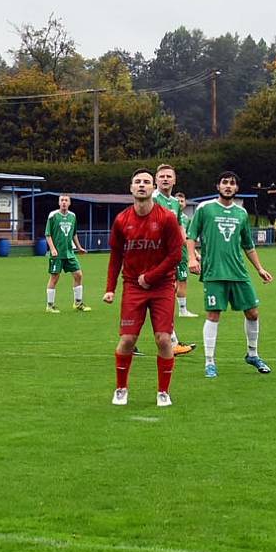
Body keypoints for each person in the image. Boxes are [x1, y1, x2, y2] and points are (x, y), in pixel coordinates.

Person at [103, 169, 184, 407]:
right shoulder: (121, 220)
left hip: (161, 286)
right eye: (137, 182)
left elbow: (175, 254)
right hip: (133, 287)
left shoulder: (167, 217)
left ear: (152, 188)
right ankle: (121, 388)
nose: (141, 185)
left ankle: (163, 392)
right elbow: (116, 255)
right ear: (131, 188)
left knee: (163, 339)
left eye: (146, 182)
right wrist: (110, 288)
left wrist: (151, 276)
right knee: (127, 340)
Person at [186, 171, 273, 379]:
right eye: (224, 182)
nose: (228, 186)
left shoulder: (241, 213)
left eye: (232, 183)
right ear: (218, 186)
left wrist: (260, 269)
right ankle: (210, 362)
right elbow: (191, 236)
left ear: (236, 189)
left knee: (253, 313)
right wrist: (191, 258)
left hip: (238, 272)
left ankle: (252, 354)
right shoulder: (204, 208)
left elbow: (248, 245)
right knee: (214, 314)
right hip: (214, 272)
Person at [152, 165, 196, 355]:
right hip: (154, 258)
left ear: (174, 180)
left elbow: (180, 229)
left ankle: (171, 341)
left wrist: (191, 254)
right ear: (156, 179)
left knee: (166, 295)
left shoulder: (175, 203)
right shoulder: (153, 199)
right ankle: (171, 342)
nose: (165, 179)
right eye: (161, 176)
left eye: (169, 176)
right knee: (161, 299)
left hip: (169, 257)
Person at [44, 194, 89, 313]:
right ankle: (50, 305)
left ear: (69, 203)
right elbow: (48, 234)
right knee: (54, 277)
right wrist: (52, 249)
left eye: (66, 200)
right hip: (57, 254)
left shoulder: (72, 216)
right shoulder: (53, 216)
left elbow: (74, 233)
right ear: (59, 203)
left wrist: (79, 247)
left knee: (78, 275)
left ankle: (78, 303)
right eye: (62, 200)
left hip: (69, 252)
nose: (64, 202)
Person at [174, 191, 199, 318]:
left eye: (182, 201)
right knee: (177, 282)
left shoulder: (186, 220)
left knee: (181, 281)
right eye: (177, 201)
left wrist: (194, 254)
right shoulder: (169, 215)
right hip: (174, 254)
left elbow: (188, 239)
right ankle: (182, 311)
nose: (179, 203)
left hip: (183, 255)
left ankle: (181, 309)